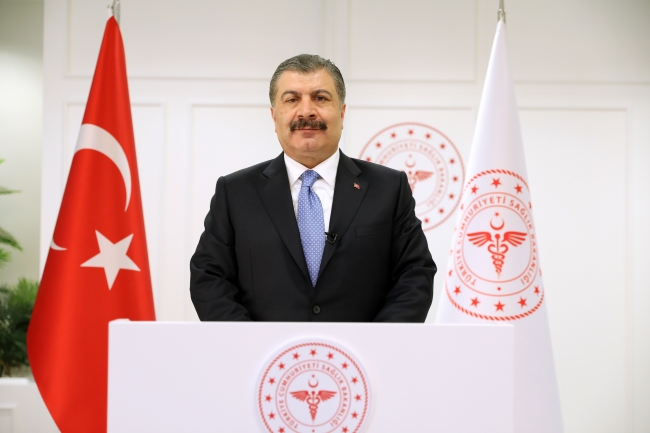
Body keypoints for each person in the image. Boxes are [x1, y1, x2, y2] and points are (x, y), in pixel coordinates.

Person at [190, 54, 436, 322]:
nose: (306, 111)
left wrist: (376, 341)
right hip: (263, 349)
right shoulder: (235, 193)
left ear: (342, 113)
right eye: (292, 99)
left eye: (320, 98)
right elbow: (209, 277)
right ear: (274, 116)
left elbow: (415, 274)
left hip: (362, 349)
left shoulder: (388, 189)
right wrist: (250, 341)